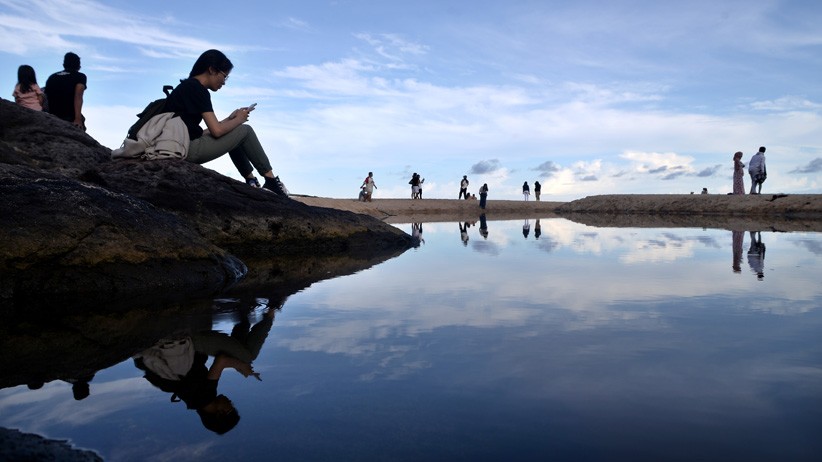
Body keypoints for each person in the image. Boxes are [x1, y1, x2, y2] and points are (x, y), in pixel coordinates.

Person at [163, 49, 288, 195]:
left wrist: (230, 120)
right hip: (187, 150)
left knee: (233, 130)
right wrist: (240, 120)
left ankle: (251, 181)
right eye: (224, 76)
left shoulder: (187, 87)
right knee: (245, 130)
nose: (224, 82)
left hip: (179, 145)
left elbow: (202, 131)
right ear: (211, 70)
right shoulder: (198, 90)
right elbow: (217, 131)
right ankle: (272, 181)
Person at [44, 52, 87, 130]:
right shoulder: (80, 76)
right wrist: (78, 119)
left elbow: (46, 96)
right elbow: (78, 96)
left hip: (52, 116)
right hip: (69, 116)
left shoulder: (52, 77)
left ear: (64, 65)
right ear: (79, 66)